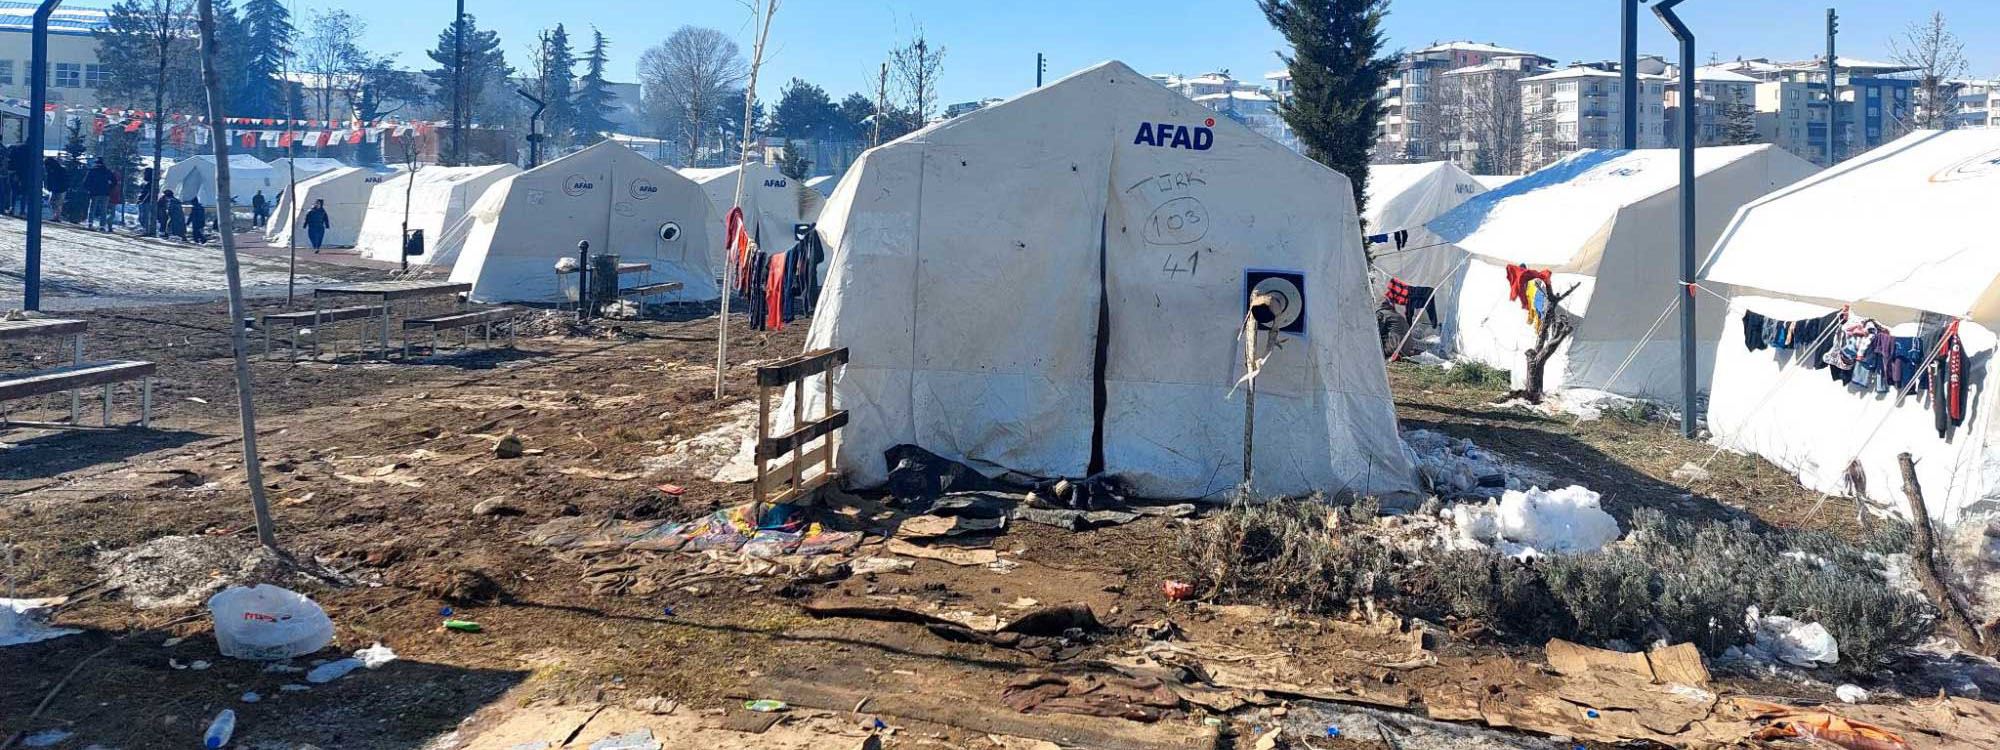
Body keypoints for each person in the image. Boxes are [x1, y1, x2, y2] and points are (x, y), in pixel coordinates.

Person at [84, 158, 114, 232]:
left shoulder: (92, 171)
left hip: (94, 192)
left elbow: (86, 182)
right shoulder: (108, 171)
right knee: (103, 210)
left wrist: (89, 189)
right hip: (105, 193)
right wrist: (109, 188)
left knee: (92, 208)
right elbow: (114, 181)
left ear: (96, 163)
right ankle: (102, 226)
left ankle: (90, 223)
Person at [7, 142, 31, 216]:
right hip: (26, 174)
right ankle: (22, 210)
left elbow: (10, 160)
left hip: (15, 172)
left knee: (14, 191)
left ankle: (12, 208)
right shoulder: (31, 149)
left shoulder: (16, 148)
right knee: (24, 192)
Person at [42, 157, 69, 222]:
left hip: (59, 188)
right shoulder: (59, 169)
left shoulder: (55, 170)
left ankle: (56, 216)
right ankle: (56, 216)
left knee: (55, 203)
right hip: (58, 189)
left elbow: (51, 180)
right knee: (56, 203)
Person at [137, 166, 157, 235]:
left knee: (145, 217)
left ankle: (147, 231)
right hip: (142, 202)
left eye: (145, 173)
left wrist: (143, 200)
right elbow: (142, 192)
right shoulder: (145, 182)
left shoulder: (152, 183)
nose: (144, 174)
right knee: (141, 218)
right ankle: (145, 230)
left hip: (147, 202)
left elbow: (149, 193)